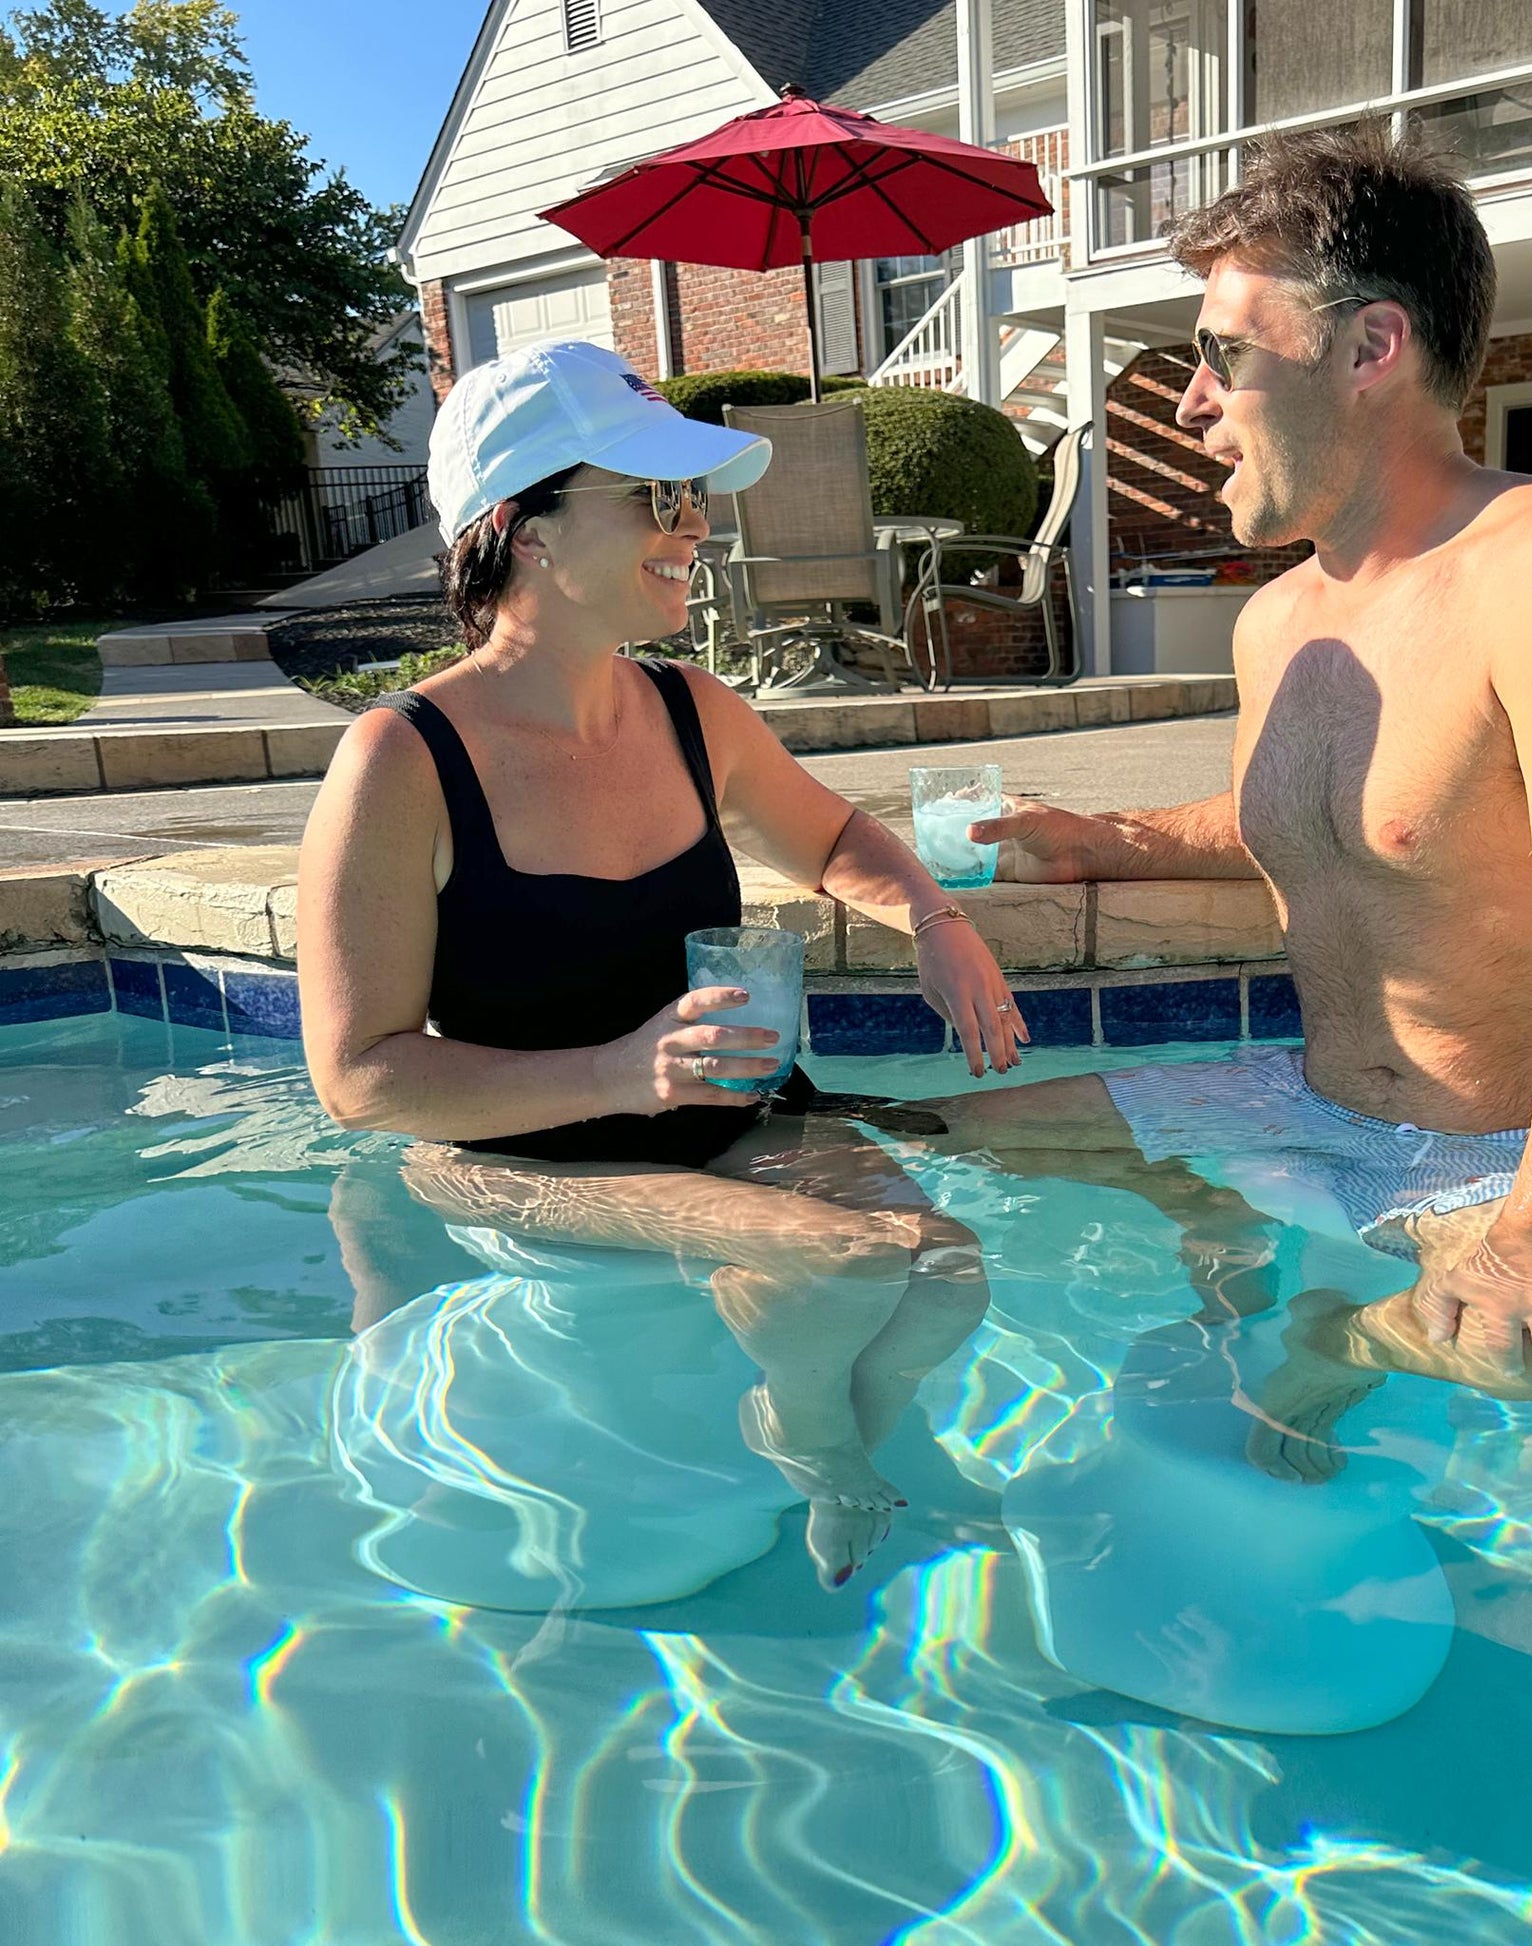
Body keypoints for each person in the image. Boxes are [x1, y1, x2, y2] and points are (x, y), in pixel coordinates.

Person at [936, 121, 1532, 1428]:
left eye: (1221, 357)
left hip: (1524, 1160)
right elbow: (1316, 822)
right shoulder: (1276, 620)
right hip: (1313, 1112)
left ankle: (1328, 1354)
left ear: (1369, 348)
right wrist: (1104, 833)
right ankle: (1224, 1220)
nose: (1187, 404)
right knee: (888, 1143)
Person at [297, 340, 1015, 1581]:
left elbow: (833, 833)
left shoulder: (694, 708)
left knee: (947, 1271)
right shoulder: (401, 758)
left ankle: (813, 1434)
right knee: (841, 1261)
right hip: (515, 1158)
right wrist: (622, 1072)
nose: (694, 526)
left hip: (729, 1113)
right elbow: (360, 1078)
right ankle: (818, 1449)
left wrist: (938, 926)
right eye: (652, 497)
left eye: (690, 497)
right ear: (524, 527)